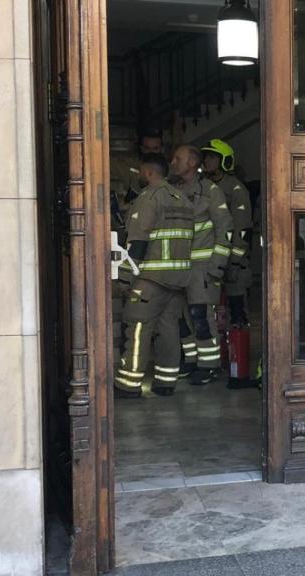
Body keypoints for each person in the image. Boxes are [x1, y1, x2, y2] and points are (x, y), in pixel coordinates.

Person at [114, 154, 194, 398]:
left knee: (138, 327)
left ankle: (129, 384)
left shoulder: (148, 199)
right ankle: (166, 382)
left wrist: (125, 279)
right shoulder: (183, 199)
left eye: (140, 172)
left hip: (152, 277)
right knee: (169, 327)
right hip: (179, 278)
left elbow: (137, 243)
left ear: (148, 172)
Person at [169, 145, 234, 385]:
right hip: (176, 268)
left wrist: (217, 265)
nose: (173, 162)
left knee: (200, 316)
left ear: (191, 163)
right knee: (180, 317)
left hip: (202, 267)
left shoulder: (210, 191)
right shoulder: (170, 190)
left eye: (178, 158)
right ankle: (191, 359)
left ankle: (209, 364)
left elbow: (224, 228)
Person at [200, 139, 253, 326]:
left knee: (236, 306)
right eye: (205, 157)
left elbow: (242, 228)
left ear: (224, 160)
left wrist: (236, 261)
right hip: (207, 254)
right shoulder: (202, 186)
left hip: (231, 257)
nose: (206, 161)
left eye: (212, 157)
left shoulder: (235, 188)